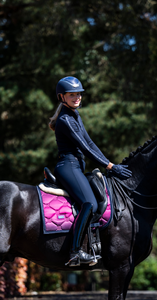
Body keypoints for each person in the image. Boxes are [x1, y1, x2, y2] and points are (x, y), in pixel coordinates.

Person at [49, 76, 132, 267]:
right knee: (89, 203)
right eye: (72, 95)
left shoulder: (75, 115)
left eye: (79, 94)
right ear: (62, 97)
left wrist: (110, 163)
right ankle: (75, 252)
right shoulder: (65, 120)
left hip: (77, 166)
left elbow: (91, 143)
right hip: (68, 166)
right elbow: (85, 149)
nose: (77, 97)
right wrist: (110, 166)